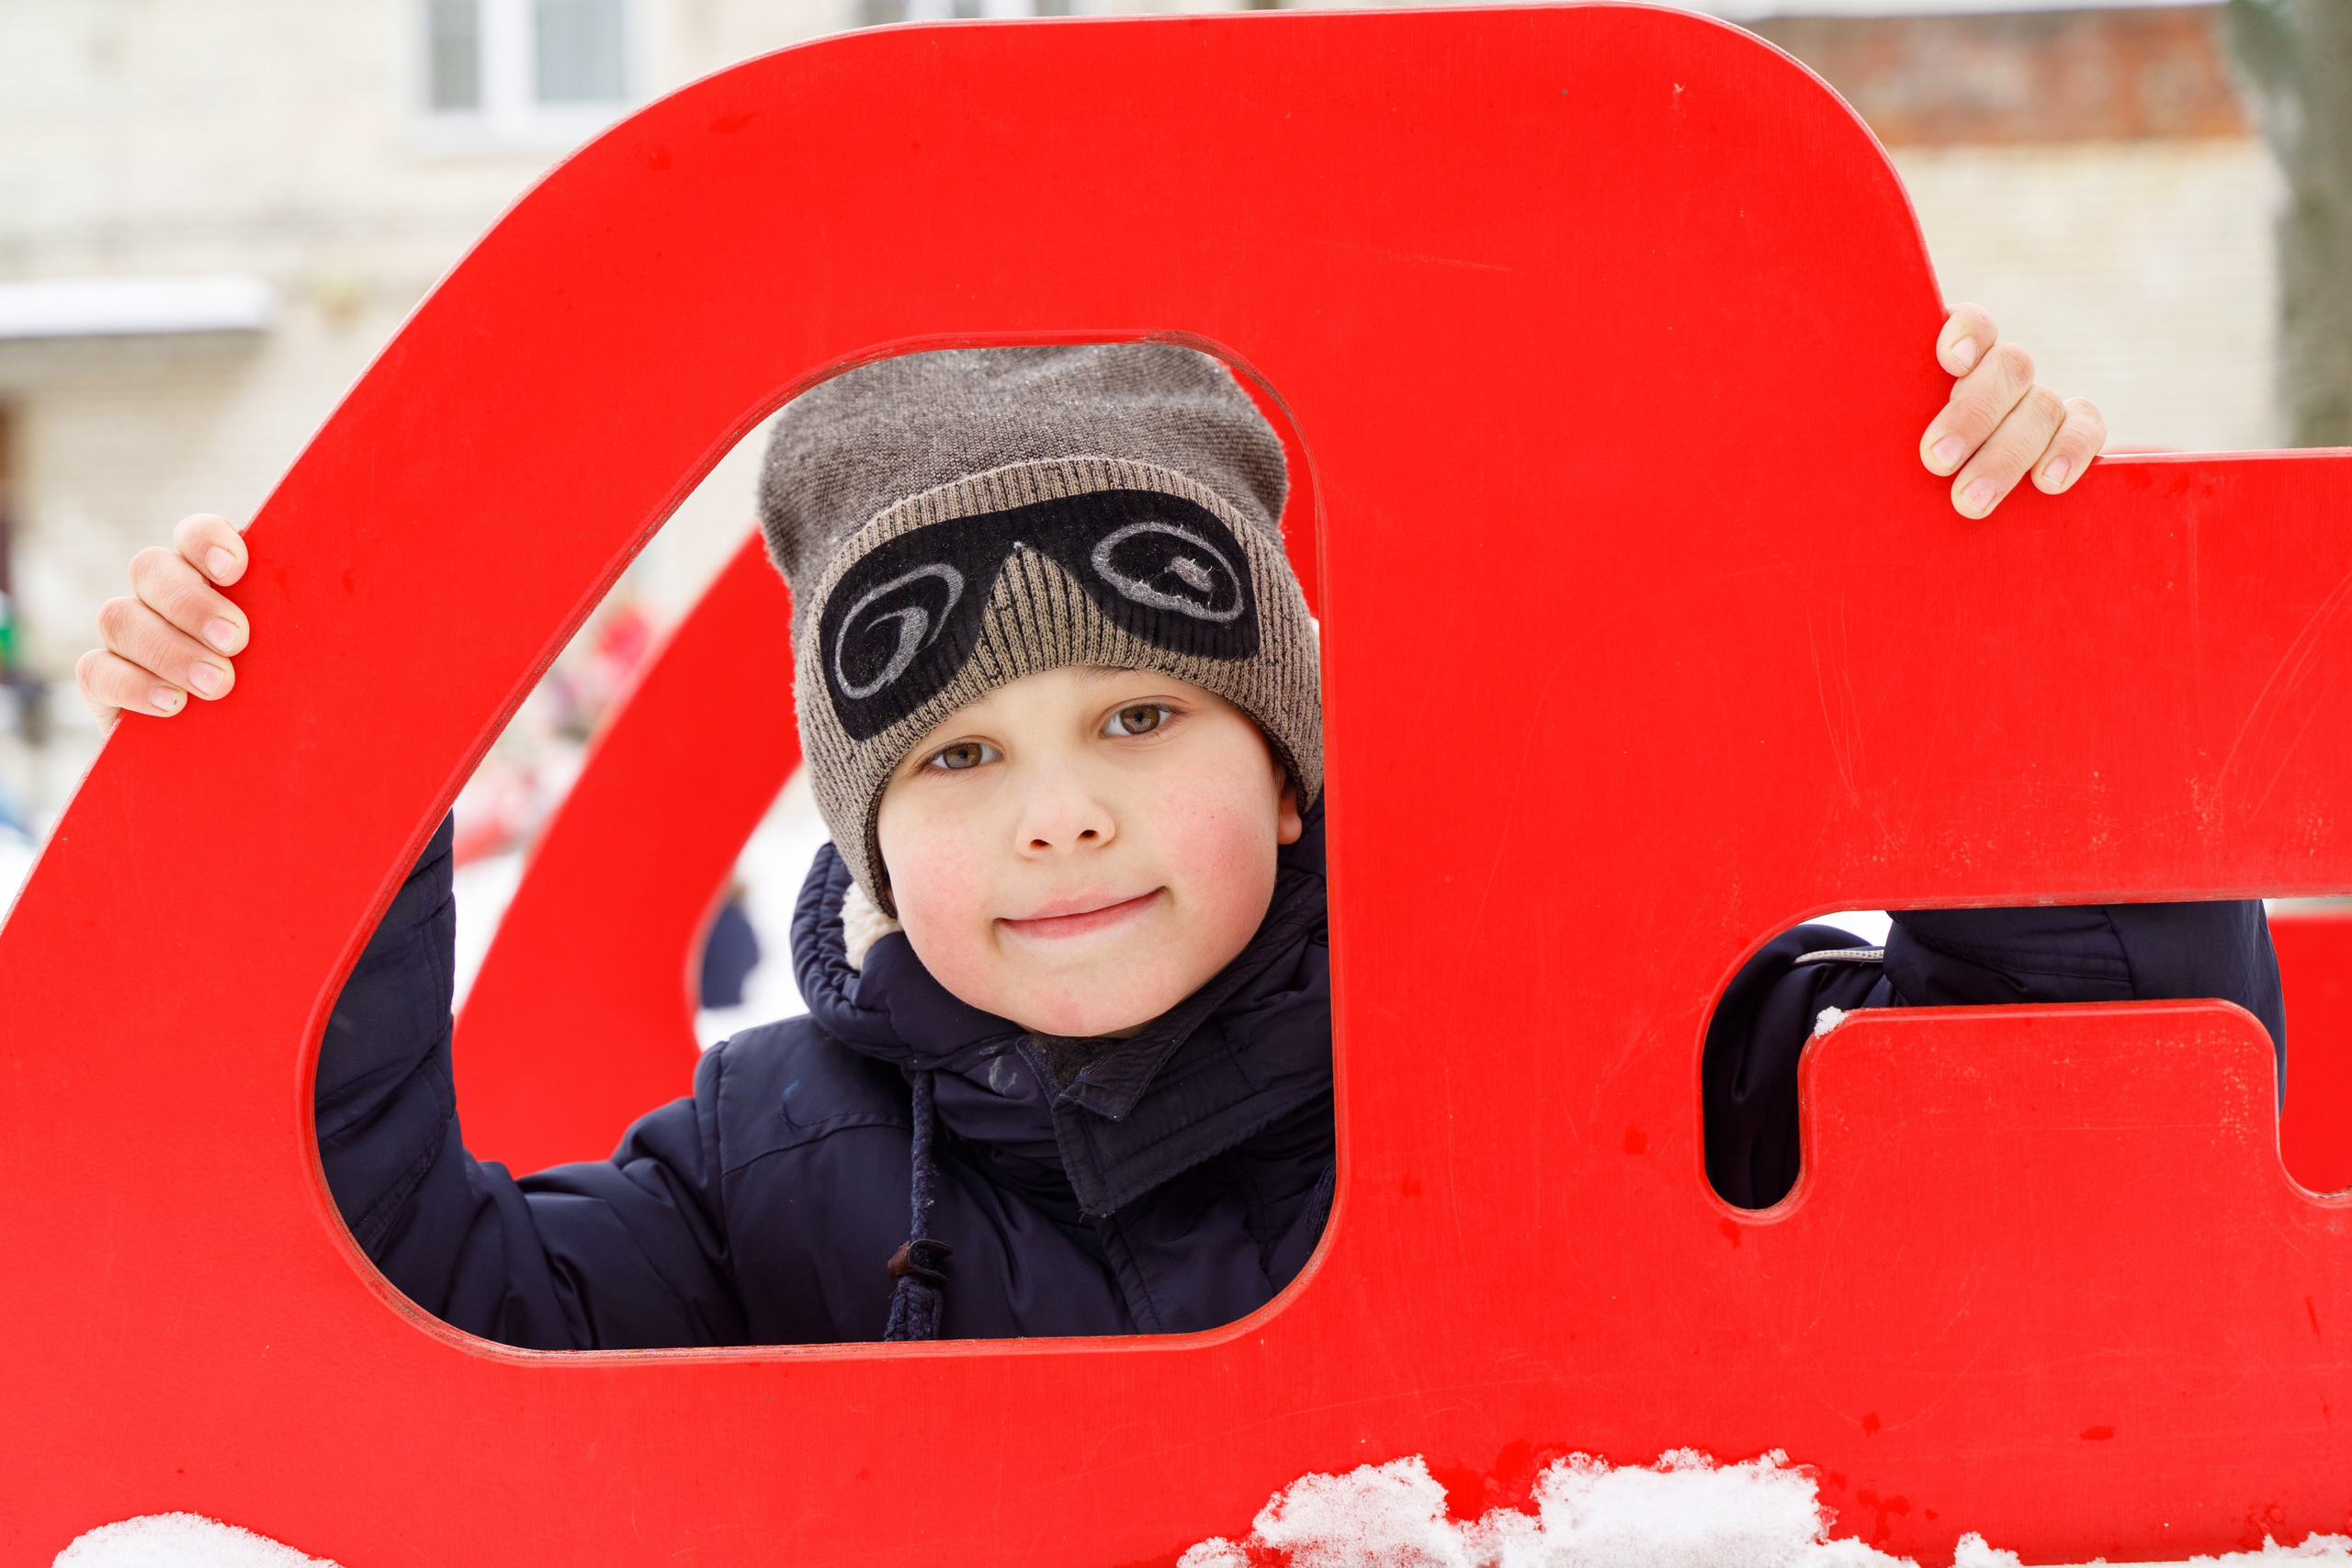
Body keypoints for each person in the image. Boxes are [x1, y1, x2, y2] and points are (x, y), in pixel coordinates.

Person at [74, 312, 2280, 1348]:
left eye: (1138, 712)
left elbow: (2069, 1130)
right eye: (953, 760)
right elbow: (415, 1313)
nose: (1060, 812)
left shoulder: (1586, 1040)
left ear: (1291, 757)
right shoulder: (769, 1171)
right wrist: (307, 804)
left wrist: (2002, 625)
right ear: (862, 834)